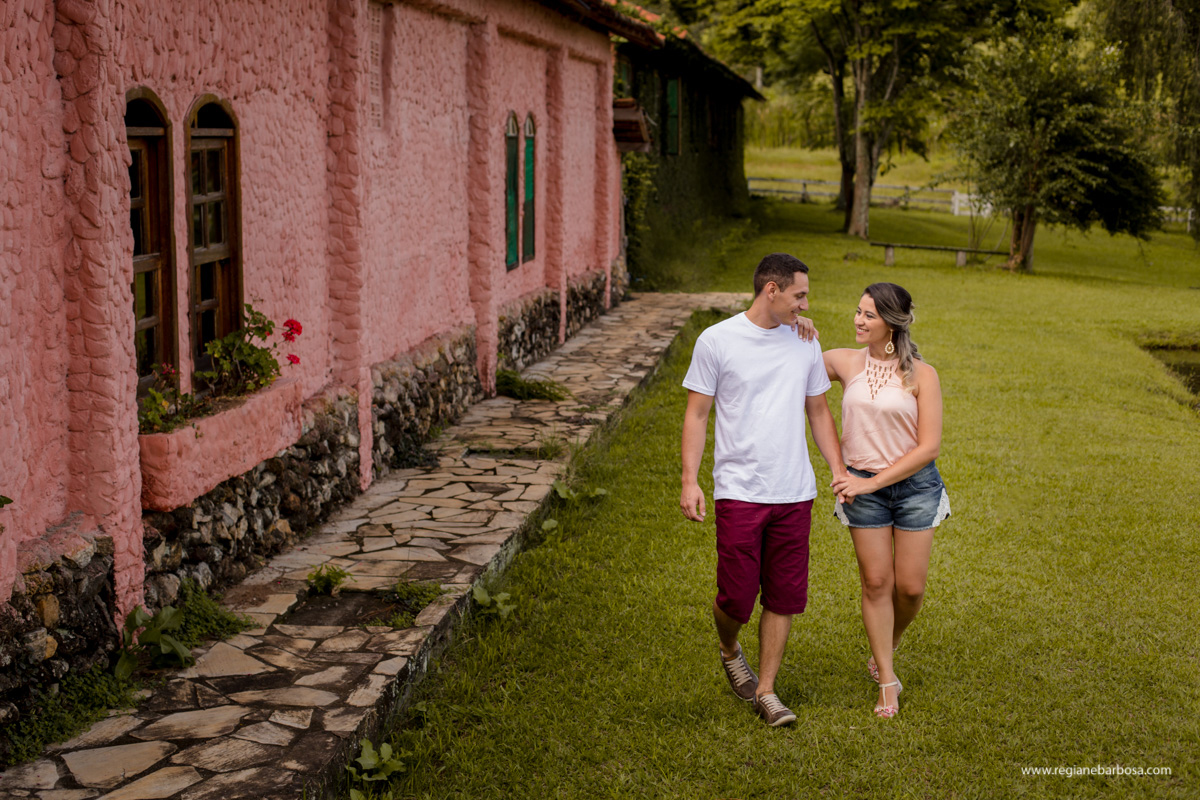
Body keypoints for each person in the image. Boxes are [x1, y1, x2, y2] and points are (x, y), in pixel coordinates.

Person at [680, 253, 846, 727]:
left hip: (794, 491)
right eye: (799, 295)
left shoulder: (805, 342)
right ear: (771, 290)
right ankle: (730, 648)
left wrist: (837, 468)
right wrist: (690, 481)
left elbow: (818, 411)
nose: (805, 304)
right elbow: (697, 414)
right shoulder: (717, 341)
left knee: (784, 596)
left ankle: (767, 691)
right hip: (739, 489)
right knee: (736, 597)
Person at [823, 282, 950, 719]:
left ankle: (888, 643)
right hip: (861, 487)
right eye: (857, 311)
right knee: (876, 584)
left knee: (910, 589)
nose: (858, 320)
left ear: (892, 323)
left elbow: (928, 447)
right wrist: (795, 326)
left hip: (914, 488)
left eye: (869, 315)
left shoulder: (923, 375)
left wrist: (871, 485)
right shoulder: (842, 361)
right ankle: (887, 679)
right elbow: (789, 368)